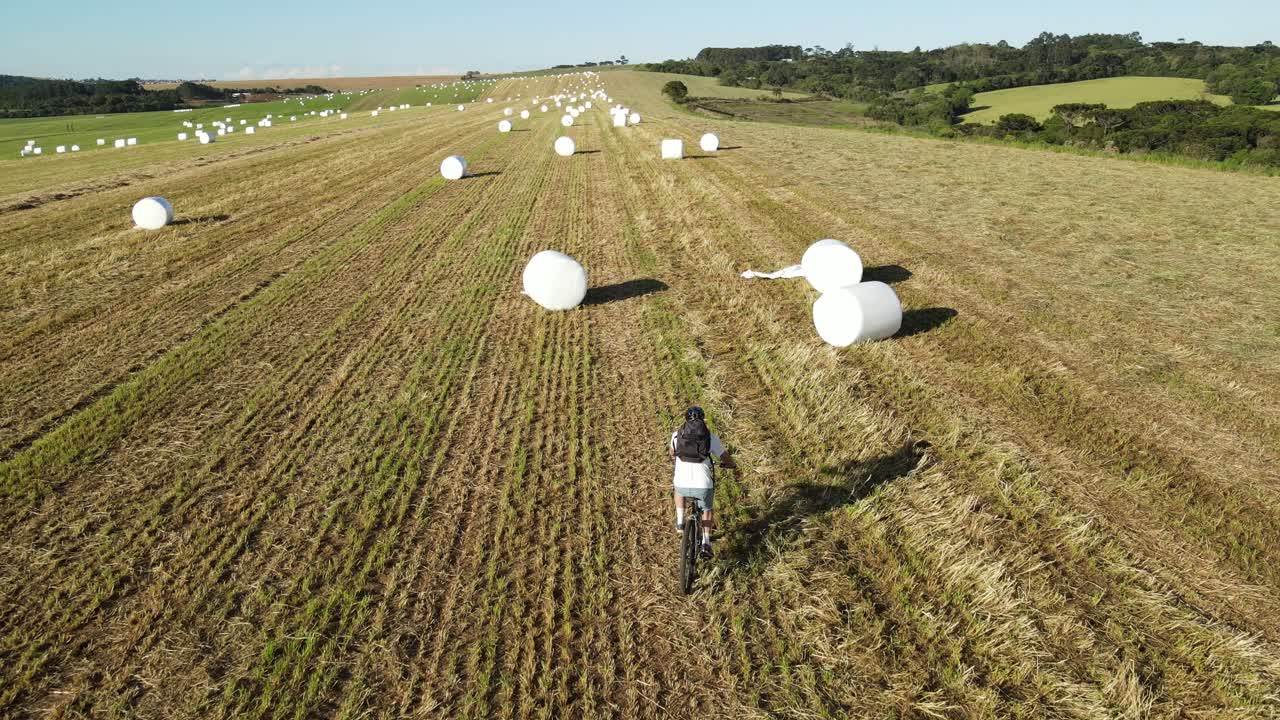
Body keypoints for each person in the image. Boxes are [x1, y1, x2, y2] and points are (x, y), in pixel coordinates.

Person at [670, 406, 736, 558]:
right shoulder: (711, 437)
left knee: (678, 489)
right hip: (703, 486)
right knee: (707, 509)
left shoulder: (676, 436)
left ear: (686, 419)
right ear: (702, 419)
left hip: (682, 482)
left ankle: (680, 521)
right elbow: (725, 457)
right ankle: (706, 543)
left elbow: (672, 453)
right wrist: (731, 464)